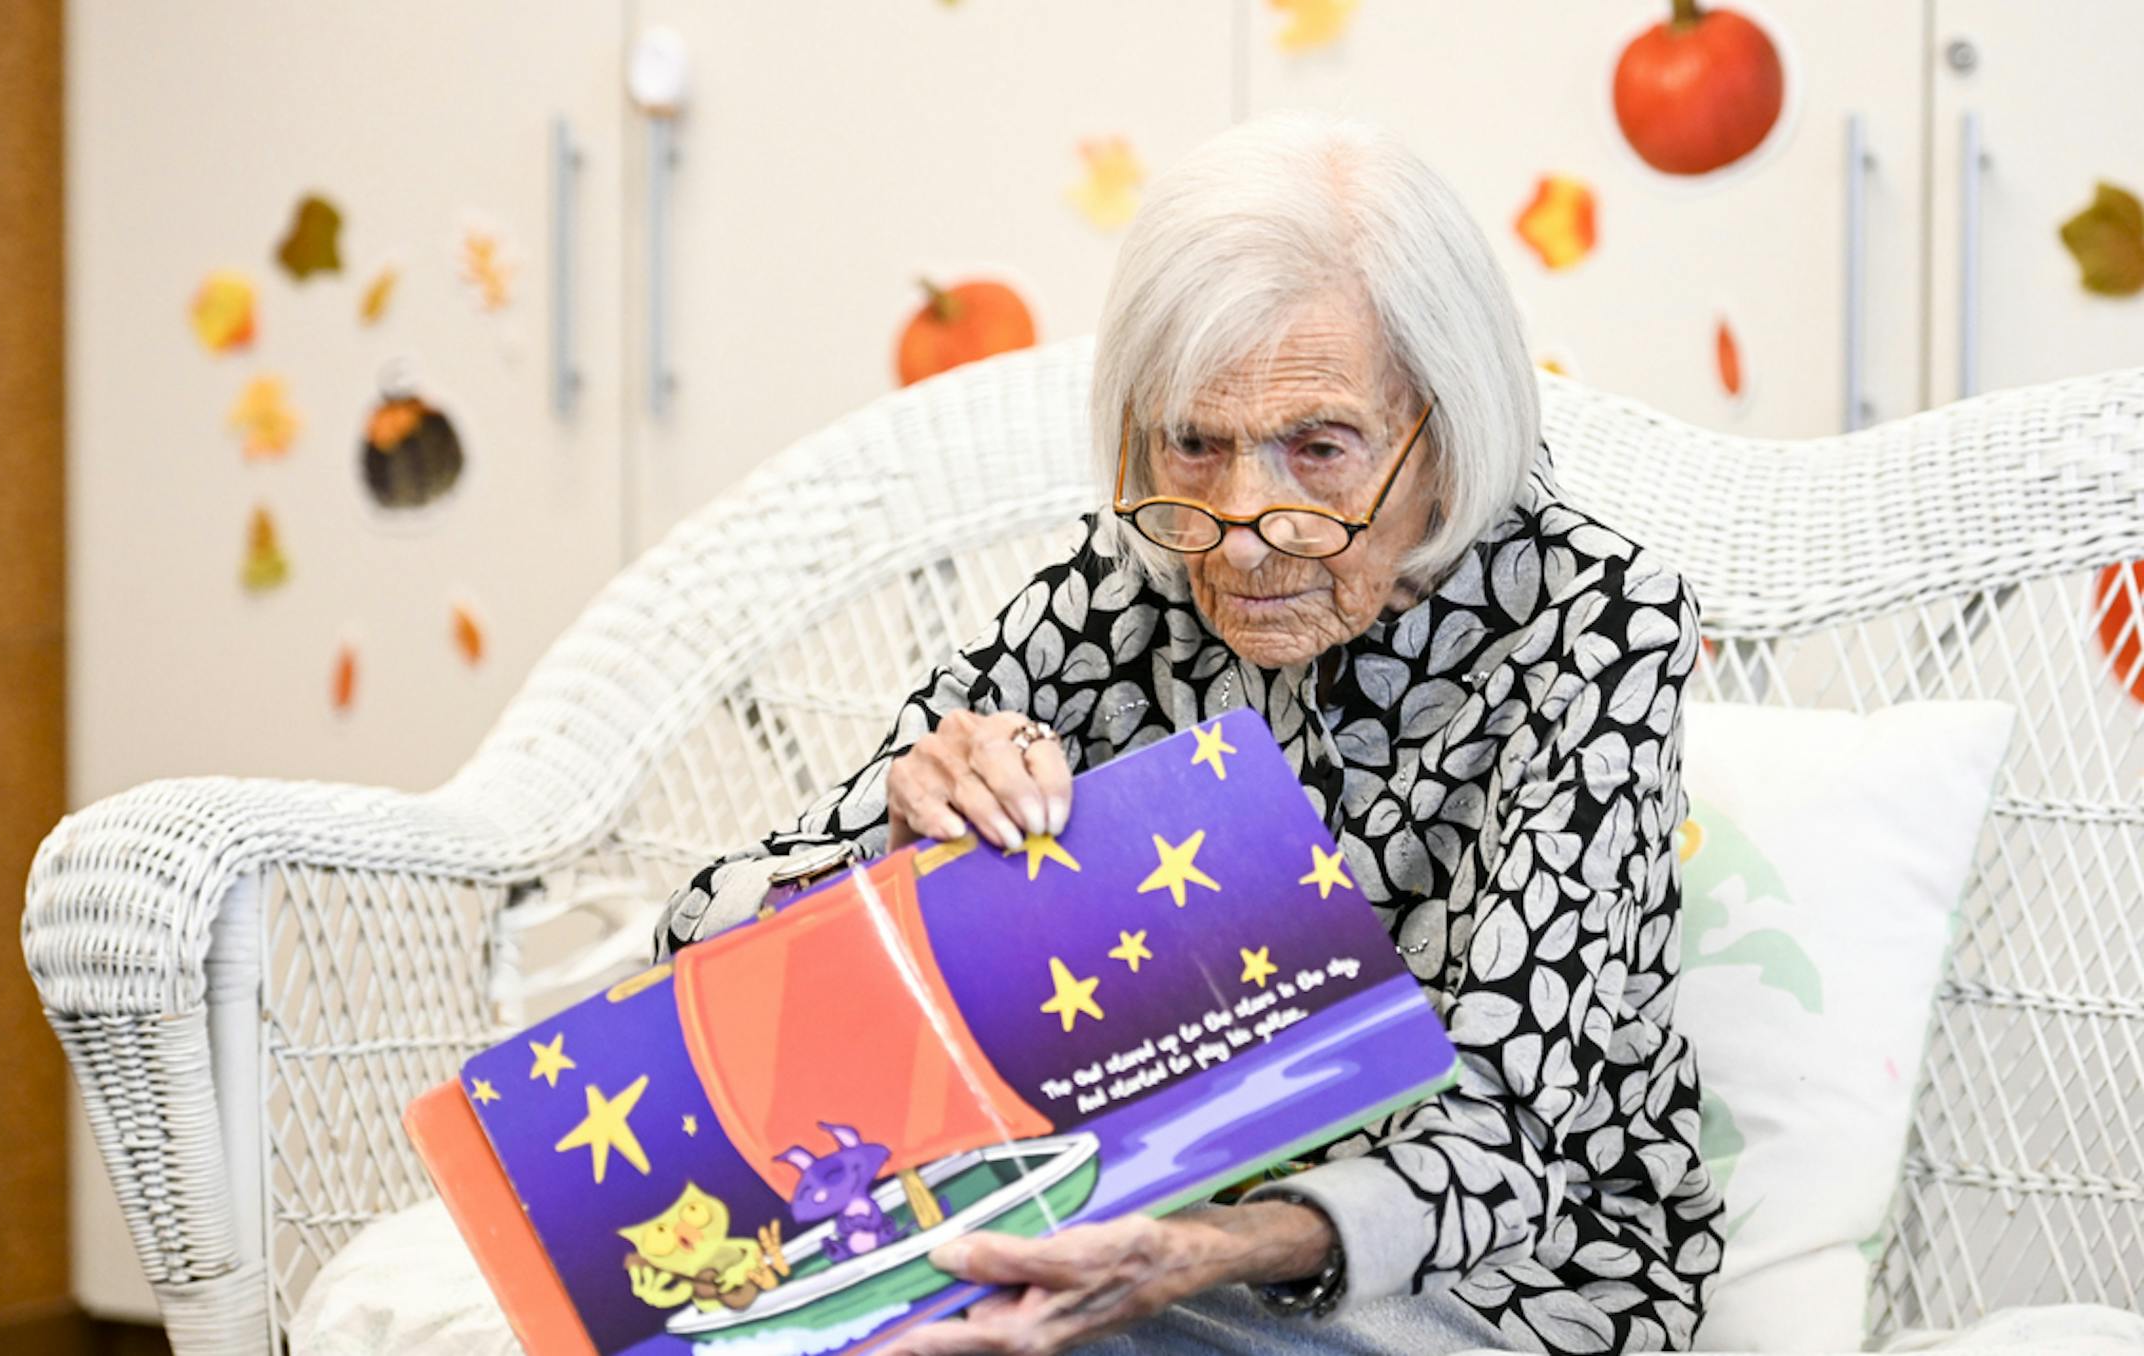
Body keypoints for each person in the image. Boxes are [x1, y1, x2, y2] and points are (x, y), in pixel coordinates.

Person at [657, 109, 1725, 1355]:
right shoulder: (1123, 589)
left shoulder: (1595, 624)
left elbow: (1511, 1128)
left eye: (1318, 447)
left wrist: (1198, 1252)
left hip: (1485, 1284)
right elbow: (699, 941)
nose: (1240, 524)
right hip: (1121, 1237)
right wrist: (894, 853)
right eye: (1194, 445)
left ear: (1450, 427)